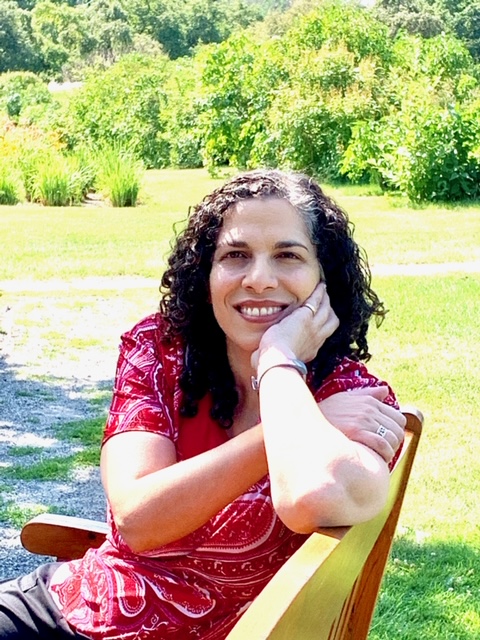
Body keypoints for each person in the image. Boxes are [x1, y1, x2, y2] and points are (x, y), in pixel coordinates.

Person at [0, 169, 406, 639]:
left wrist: (278, 360)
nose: (259, 279)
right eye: (236, 255)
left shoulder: (354, 398)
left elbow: (311, 496)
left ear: (324, 278)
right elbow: (137, 519)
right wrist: (275, 433)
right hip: (80, 609)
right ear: (206, 274)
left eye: (288, 256)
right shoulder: (160, 351)